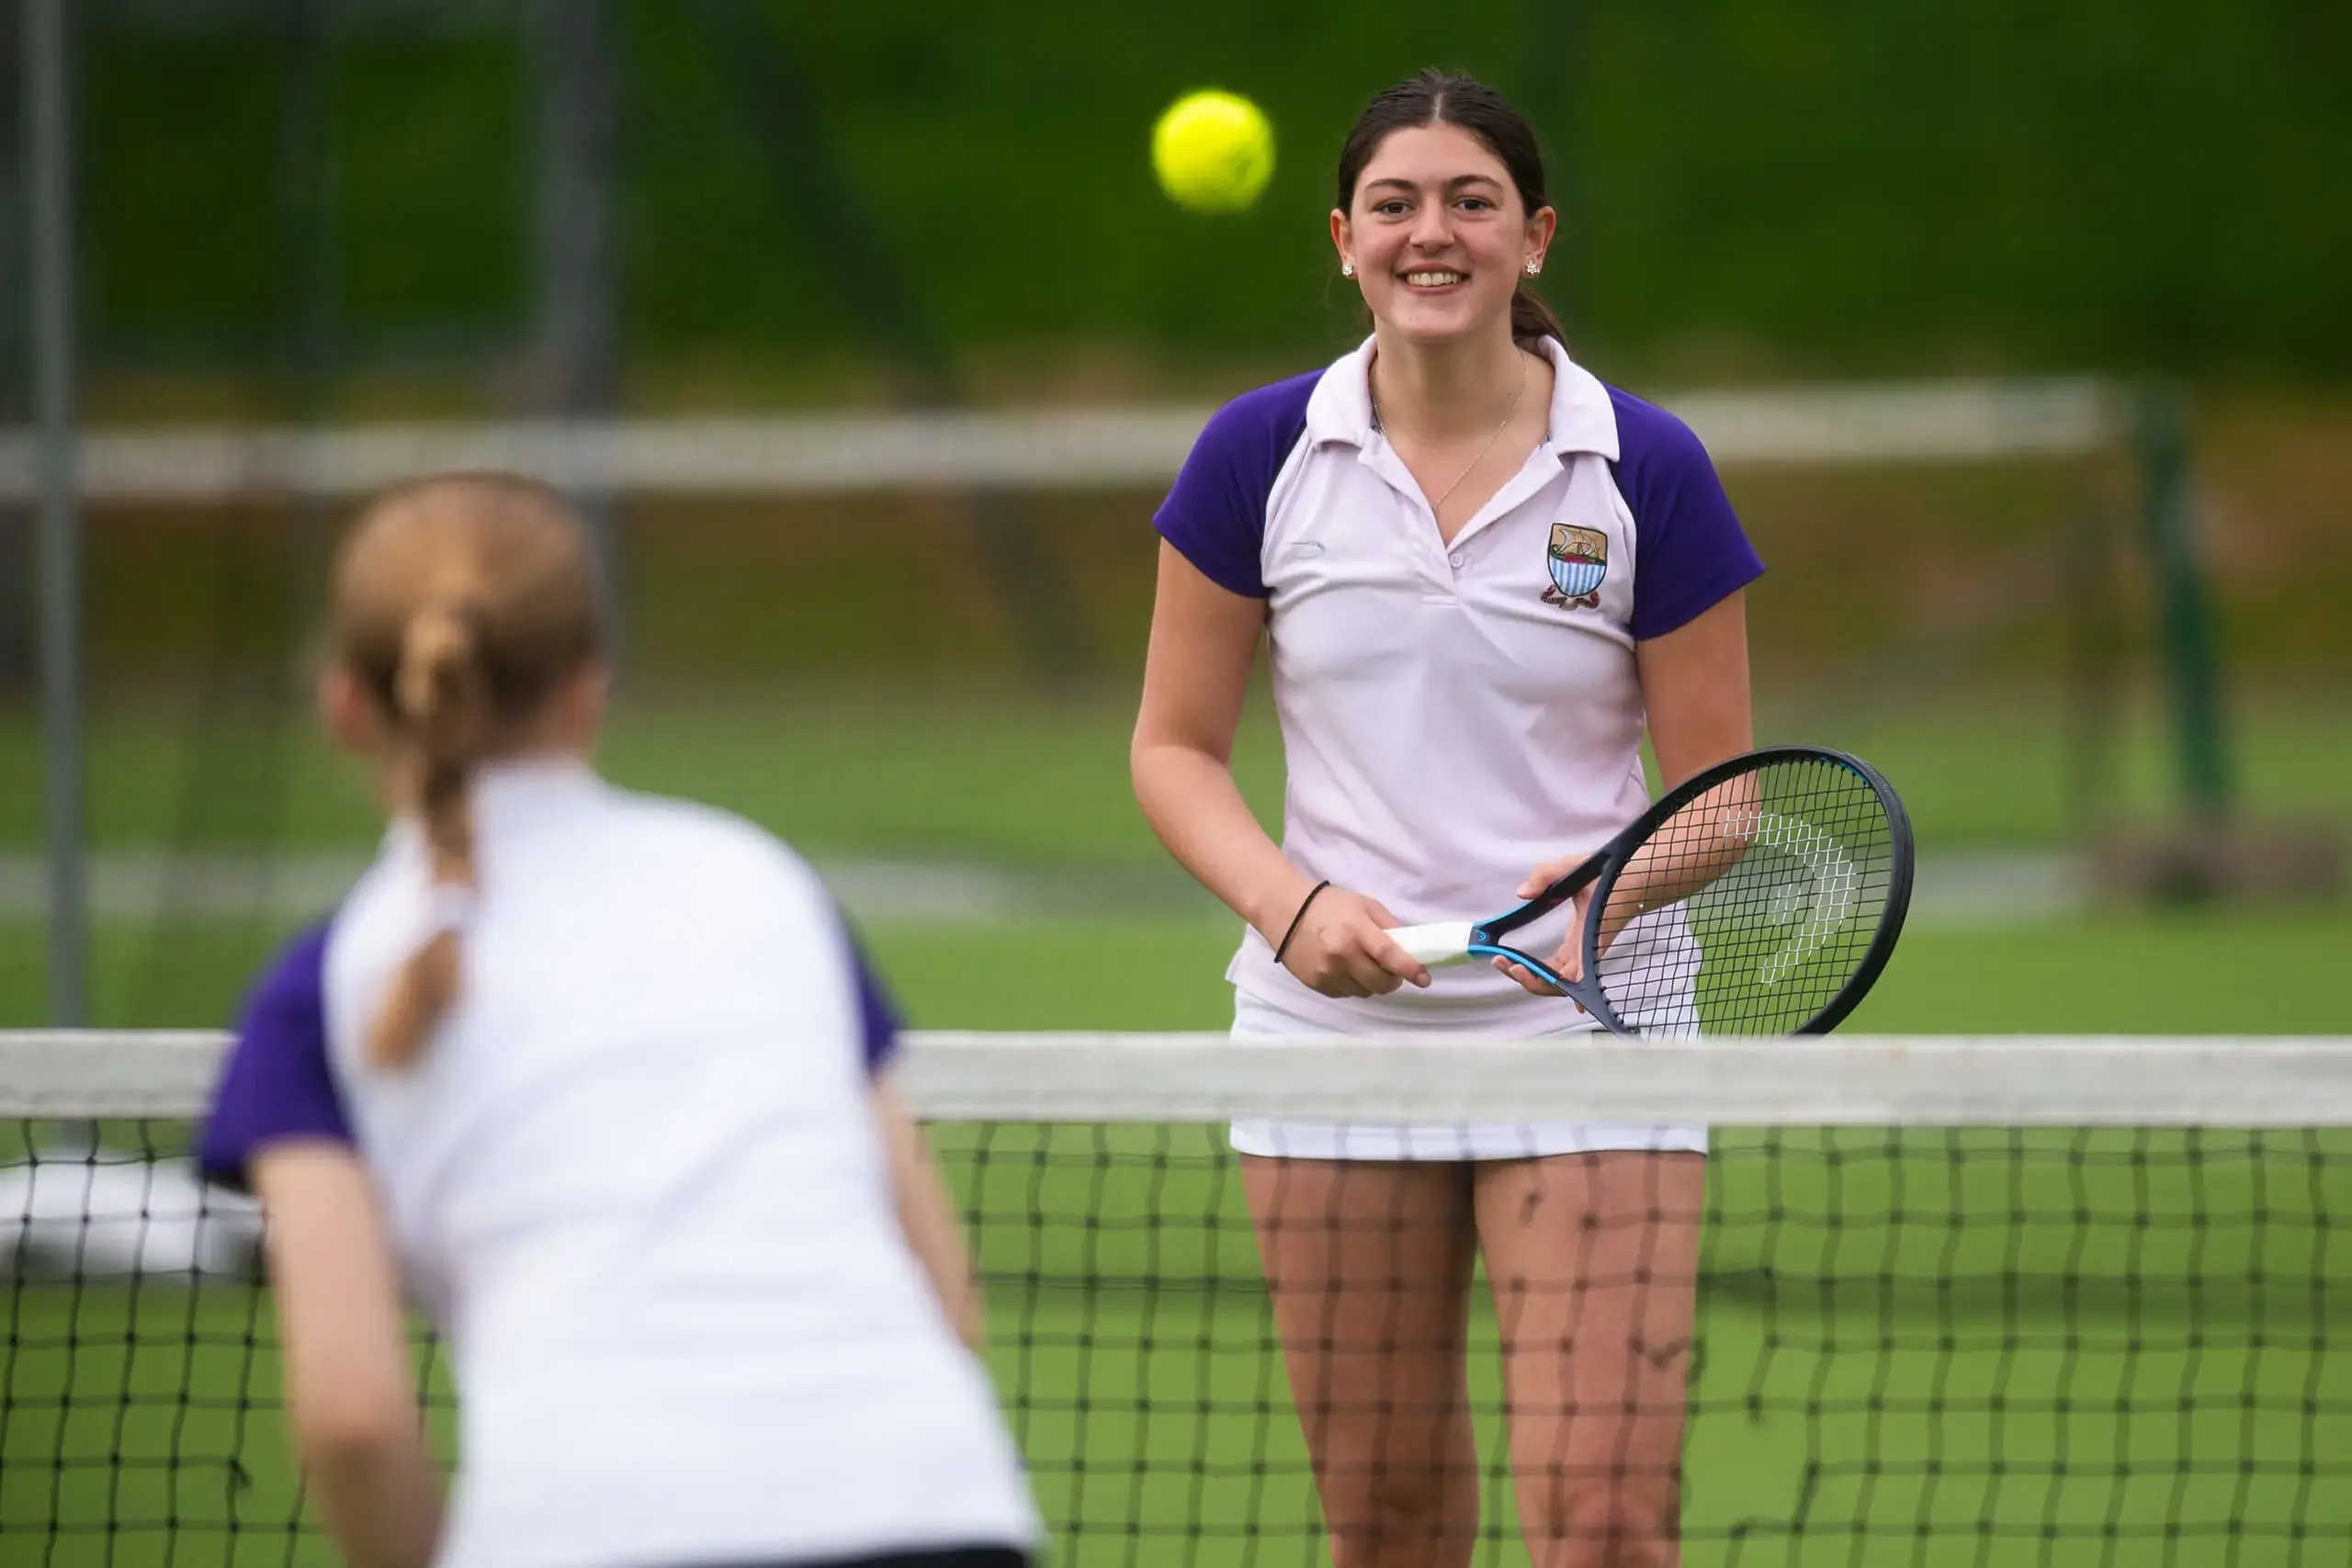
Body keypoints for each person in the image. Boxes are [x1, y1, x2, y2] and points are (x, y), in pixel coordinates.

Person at [1130, 70, 1764, 1568]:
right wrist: (1292, 910)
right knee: (1388, 1526)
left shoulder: (1645, 466)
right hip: (1331, 1040)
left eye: (1472, 202)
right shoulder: (1255, 456)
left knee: (1608, 1525)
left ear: (1534, 238)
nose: (1434, 233)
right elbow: (1171, 750)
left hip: (1590, 1029)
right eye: (1398, 205)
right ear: (1341, 238)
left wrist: (1616, 878)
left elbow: (1724, 793)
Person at [196, 474, 1039, 1568]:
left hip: (588, 1529)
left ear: (345, 704)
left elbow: (353, 1417)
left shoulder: (321, 985)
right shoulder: (765, 888)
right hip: (934, 1512)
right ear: (588, 688)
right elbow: (943, 1300)